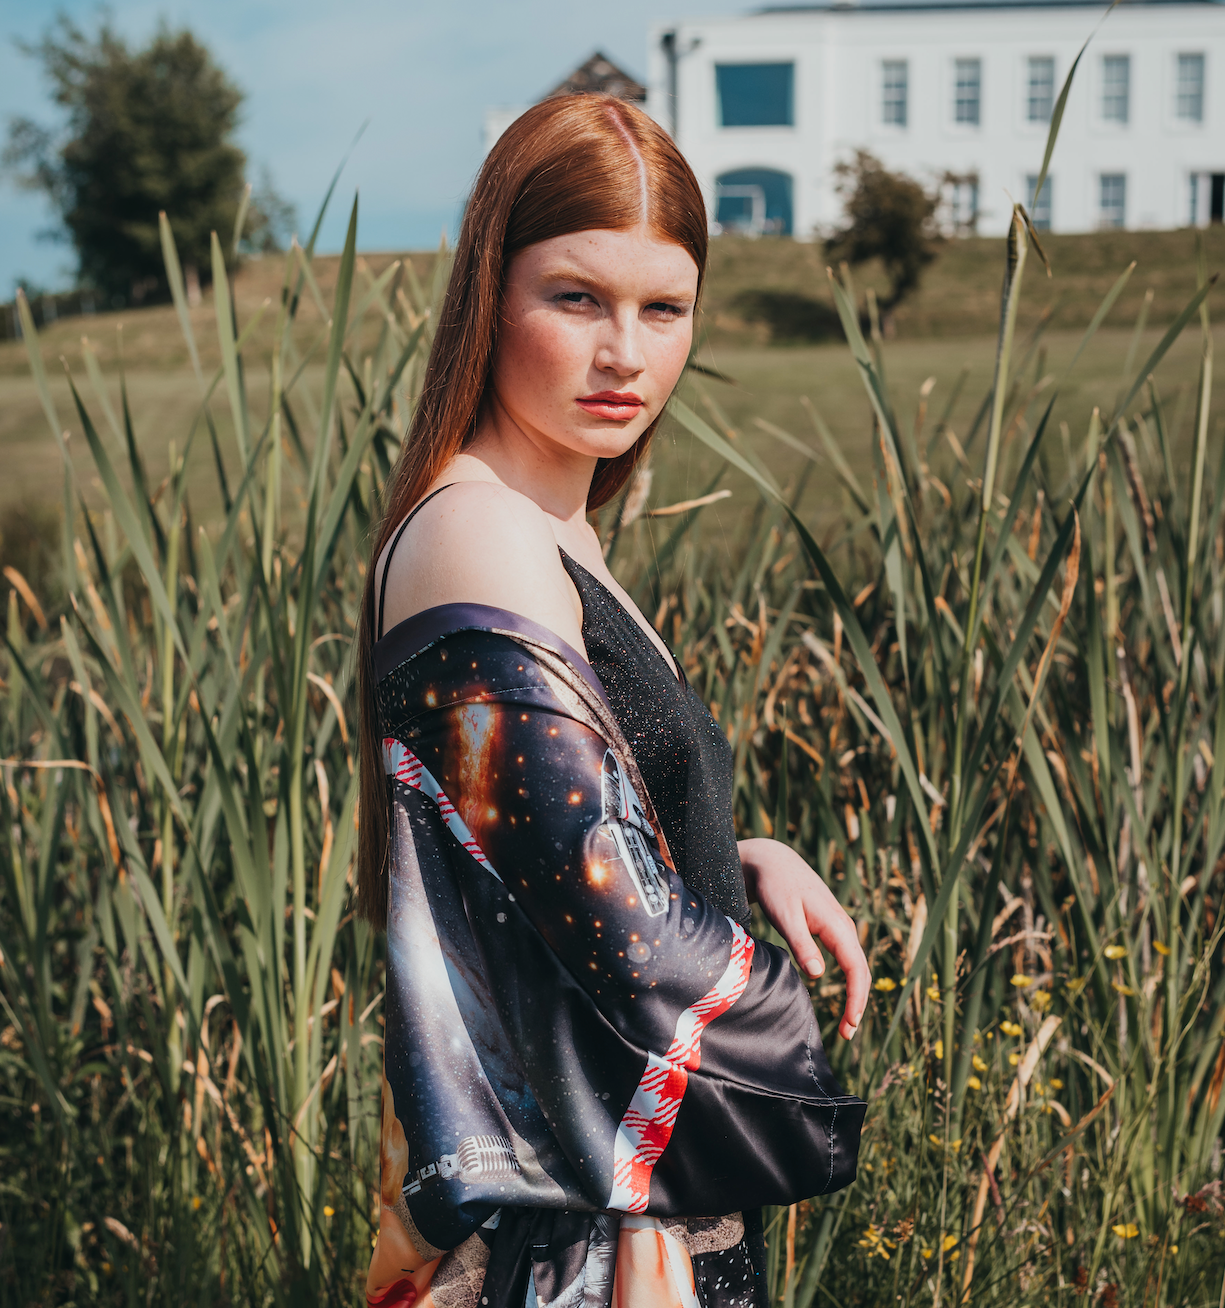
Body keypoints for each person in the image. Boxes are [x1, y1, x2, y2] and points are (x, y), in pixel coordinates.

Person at [356, 92, 871, 1308]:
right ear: (493, 291)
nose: (624, 354)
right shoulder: (478, 532)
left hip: (624, 1218)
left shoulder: (551, 530)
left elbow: (544, 838)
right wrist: (816, 1078)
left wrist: (730, 850)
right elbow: (631, 940)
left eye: (664, 308)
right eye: (577, 298)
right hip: (570, 1249)